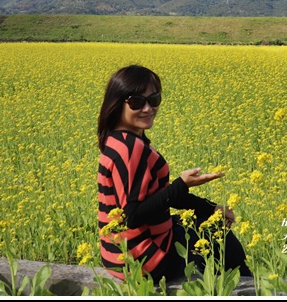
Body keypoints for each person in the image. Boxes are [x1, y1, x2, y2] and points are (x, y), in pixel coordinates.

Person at [97, 64, 252, 282]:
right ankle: (251, 289)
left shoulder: (117, 140)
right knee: (221, 239)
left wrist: (209, 208)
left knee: (202, 224)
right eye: (137, 102)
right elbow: (132, 215)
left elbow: (155, 197)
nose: (148, 108)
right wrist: (181, 184)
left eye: (154, 100)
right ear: (117, 103)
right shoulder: (131, 149)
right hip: (144, 260)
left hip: (119, 255)